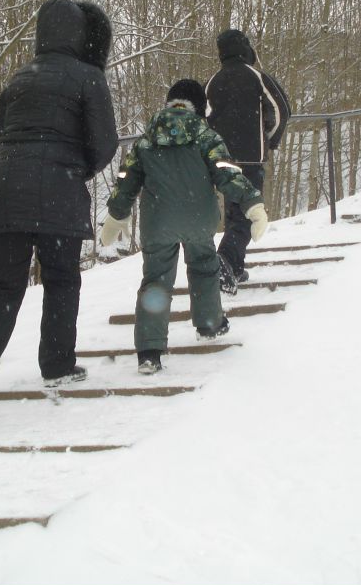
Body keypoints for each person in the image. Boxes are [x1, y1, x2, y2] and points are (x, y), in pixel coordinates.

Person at [0, 0, 119, 423]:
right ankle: (58, 365)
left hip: (1, 186)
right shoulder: (88, 77)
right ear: (82, 35)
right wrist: (73, 167)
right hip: (57, 189)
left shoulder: (17, 79)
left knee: (1, 285)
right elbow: (105, 144)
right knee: (62, 279)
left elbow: (0, 136)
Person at [100, 79, 267, 375]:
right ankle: (210, 324)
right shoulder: (205, 135)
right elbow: (228, 173)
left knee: (156, 280)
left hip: (158, 221)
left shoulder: (147, 138)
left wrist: (117, 213)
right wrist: (252, 202)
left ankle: (149, 352)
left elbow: (126, 179)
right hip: (198, 218)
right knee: (204, 267)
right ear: (198, 106)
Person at [205, 29, 290, 294]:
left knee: (234, 212)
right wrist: (270, 140)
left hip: (221, 161)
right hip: (251, 158)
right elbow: (281, 110)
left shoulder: (212, 82)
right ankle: (226, 260)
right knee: (247, 214)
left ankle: (236, 269)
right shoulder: (256, 77)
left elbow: (203, 121)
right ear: (245, 48)